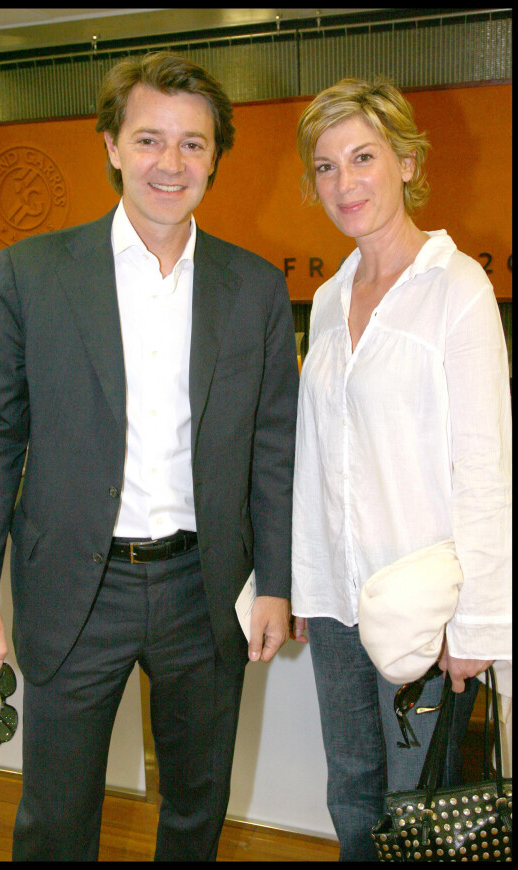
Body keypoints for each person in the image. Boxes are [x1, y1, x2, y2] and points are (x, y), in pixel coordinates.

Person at [0, 51, 299, 862]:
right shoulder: (33, 274)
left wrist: (275, 582)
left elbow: (275, 448)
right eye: (148, 139)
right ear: (110, 145)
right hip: (76, 584)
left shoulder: (253, 288)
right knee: (56, 820)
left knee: (195, 811)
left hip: (205, 590)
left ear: (215, 158)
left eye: (192, 144)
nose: (169, 164)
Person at [290, 77, 511, 861]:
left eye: (362, 157)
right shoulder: (326, 299)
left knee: (420, 810)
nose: (343, 183)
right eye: (324, 166)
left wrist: (477, 626)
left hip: (423, 608)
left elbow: (485, 470)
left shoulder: (456, 288)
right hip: (336, 606)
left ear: (408, 162)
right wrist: (296, 584)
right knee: (351, 797)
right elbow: (316, 460)